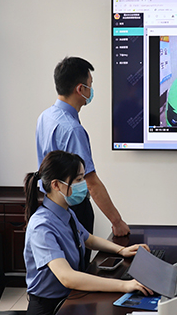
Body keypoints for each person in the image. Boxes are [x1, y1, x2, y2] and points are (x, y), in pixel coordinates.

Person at [23, 150, 152, 315]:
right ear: (56, 185)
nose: (83, 185)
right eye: (78, 180)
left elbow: (87, 238)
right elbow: (67, 277)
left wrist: (121, 250)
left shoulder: (65, 213)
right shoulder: (41, 226)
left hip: (69, 301)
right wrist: (124, 285)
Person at [36, 57, 130, 241]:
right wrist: (117, 222)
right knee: (77, 258)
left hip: (51, 205)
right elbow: (91, 182)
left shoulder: (45, 117)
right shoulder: (72, 129)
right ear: (80, 89)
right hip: (73, 209)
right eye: (90, 85)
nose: (91, 90)